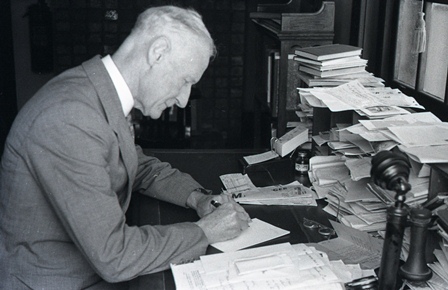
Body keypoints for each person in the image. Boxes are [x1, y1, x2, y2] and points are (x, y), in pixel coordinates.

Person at [0, 6, 250, 289]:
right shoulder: (70, 117)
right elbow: (115, 257)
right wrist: (204, 232)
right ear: (157, 52)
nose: (183, 100)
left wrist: (196, 198)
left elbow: (134, 163)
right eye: (186, 81)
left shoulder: (96, 91)